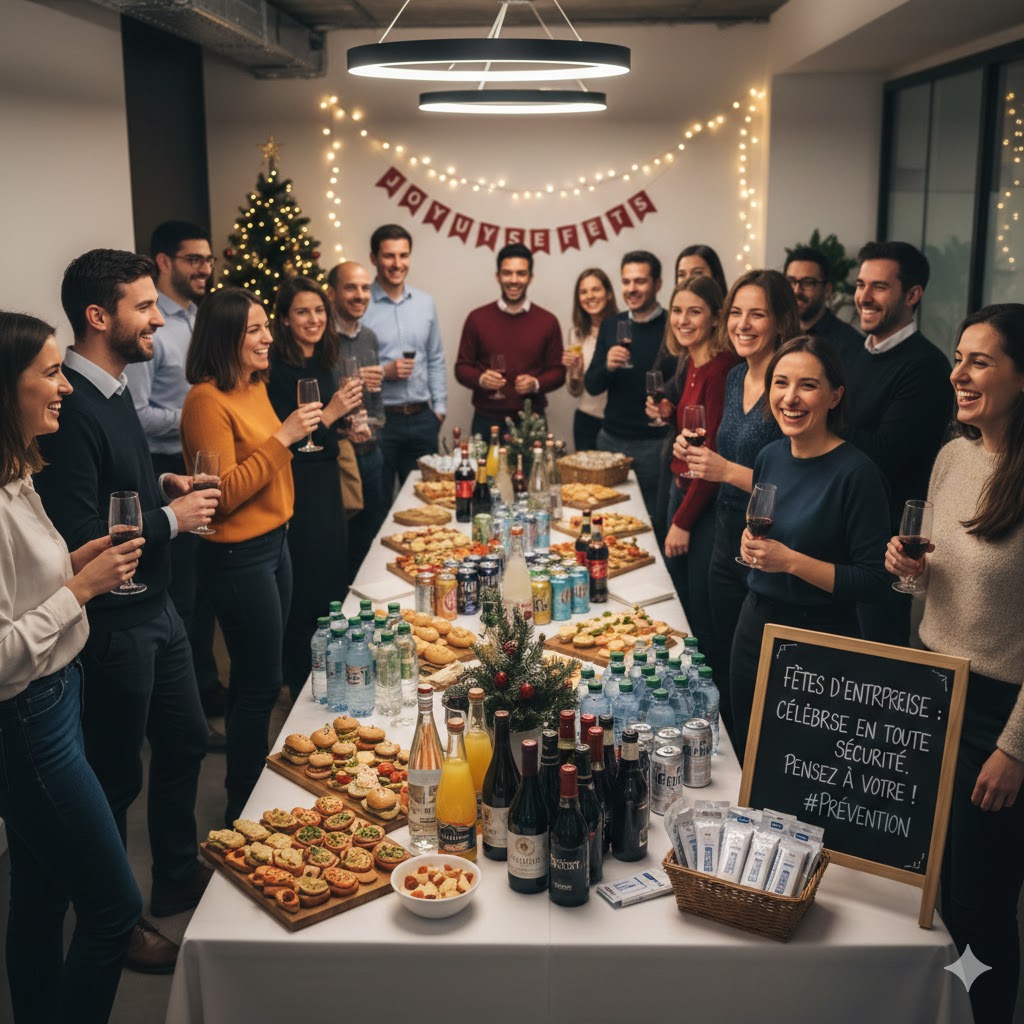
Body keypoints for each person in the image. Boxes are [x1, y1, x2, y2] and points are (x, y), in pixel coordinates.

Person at [35, 249, 216, 973]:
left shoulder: (112, 387)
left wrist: (158, 480)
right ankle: (119, 918)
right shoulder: (68, 408)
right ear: (98, 317)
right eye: (145, 308)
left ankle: (176, 873)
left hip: (159, 609)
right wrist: (171, 516)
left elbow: (121, 488)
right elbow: (82, 530)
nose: (158, 322)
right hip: (114, 625)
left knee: (185, 743)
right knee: (114, 776)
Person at [0, 311, 146, 1023]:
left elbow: (31, 586)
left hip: (56, 698)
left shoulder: (19, 476)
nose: (64, 388)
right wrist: (80, 591)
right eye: (51, 374)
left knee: (39, 897)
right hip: (27, 719)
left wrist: (76, 564)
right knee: (114, 908)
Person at [885, 304, 1024, 1024]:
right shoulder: (952, 456)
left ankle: (989, 1013)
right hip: (930, 688)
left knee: (980, 899)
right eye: (959, 357)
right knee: (926, 881)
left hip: (1000, 714)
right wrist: (905, 568)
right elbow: (925, 583)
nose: (957, 373)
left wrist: (1014, 748)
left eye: (980, 360)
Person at [180, 288, 322, 824]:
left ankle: (249, 789)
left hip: (273, 544)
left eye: (267, 327)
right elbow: (221, 495)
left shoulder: (254, 385)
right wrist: (284, 437)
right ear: (226, 339)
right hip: (238, 556)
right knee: (260, 683)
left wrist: (282, 442)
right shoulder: (205, 400)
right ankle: (242, 805)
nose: (268, 338)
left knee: (259, 678)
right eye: (255, 330)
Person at [729, 336, 890, 761]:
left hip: (818, 640)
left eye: (808, 385)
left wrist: (791, 562)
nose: (790, 398)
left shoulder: (858, 473)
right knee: (748, 748)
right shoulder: (769, 456)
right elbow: (763, 533)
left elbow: (874, 580)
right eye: (781, 383)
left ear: (835, 395)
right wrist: (750, 545)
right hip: (754, 624)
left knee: (800, 766)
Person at [674, 269, 799, 745]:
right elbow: (723, 454)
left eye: (758, 314)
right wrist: (697, 458)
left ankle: (753, 760)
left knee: (755, 668)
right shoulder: (733, 376)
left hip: (771, 537)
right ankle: (721, 756)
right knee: (716, 648)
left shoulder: (788, 384)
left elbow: (792, 484)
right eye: (737, 314)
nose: (743, 325)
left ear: (780, 320)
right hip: (724, 526)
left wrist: (722, 469)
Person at [124, 220, 224, 743]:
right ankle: (183, 719)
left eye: (208, 259)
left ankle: (206, 691)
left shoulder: (198, 318)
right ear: (164, 262)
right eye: (193, 259)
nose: (204, 268)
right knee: (181, 600)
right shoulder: (150, 332)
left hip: (192, 475)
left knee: (201, 594)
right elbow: (138, 413)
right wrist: (198, 415)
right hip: (164, 473)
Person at [846, 241, 951, 645]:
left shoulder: (926, 366)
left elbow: (883, 455)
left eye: (879, 287)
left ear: (912, 295)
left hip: (886, 545)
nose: (863, 297)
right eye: (860, 284)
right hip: (845, 533)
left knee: (873, 662)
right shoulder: (857, 352)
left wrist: (822, 421)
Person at [268, 276, 364, 699]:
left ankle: (330, 671)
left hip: (328, 480)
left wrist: (345, 423)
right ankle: (299, 680)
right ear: (285, 320)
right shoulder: (276, 370)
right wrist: (331, 414)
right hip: (299, 484)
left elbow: (324, 432)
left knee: (331, 577)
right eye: (302, 312)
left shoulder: (326, 359)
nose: (313, 319)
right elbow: (287, 440)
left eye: (319, 311)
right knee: (304, 585)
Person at [653, 276, 738, 644]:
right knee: (678, 598)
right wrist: (671, 410)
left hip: (700, 501)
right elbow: (692, 429)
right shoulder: (692, 360)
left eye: (694, 312)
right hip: (681, 488)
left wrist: (682, 522)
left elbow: (711, 456)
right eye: (676, 311)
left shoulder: (721, 369)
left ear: (716, 318)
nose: (682, 320)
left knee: (694, 607)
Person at [584, 250, 677, 522]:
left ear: (658, 284)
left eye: (640, 281)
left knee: (652, 521)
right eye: (626, 282)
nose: (631, 289)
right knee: (608, 519)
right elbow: (592, 385)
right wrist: (608, 366)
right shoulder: (613, 324)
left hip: (655, 444)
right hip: (611, 441)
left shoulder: (674, 325)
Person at [361, 224, 447, 495]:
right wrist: (385, 371)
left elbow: (435, 357)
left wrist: (439, 409)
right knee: (379, 504)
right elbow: (346, 365)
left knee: (427, 501)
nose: (397, 264)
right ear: (374, 258)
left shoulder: (425, 302)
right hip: (381, 420)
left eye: (403, 255)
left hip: (423, 418)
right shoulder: (361, 305)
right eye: (389, 256)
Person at [455, 243, 565, 437]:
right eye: (507, 273)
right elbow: (461, 368)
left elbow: (558, 372)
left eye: (521, 274)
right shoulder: (477, 318)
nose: (514, 280)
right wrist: (480, 379)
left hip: (532, 421)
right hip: (486, 421)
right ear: (497, 276)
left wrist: (536, 384)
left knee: (536, 469)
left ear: (530, 278)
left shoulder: (548, 321)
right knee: (486, 469)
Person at [327, 260, 388, 578]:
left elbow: (376, 400)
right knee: (341, 548)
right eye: (351, 287)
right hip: (339, 458)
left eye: (365, 288)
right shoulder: (321, 339)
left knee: (373, 541)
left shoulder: (370, 337)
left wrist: (374, 425)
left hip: (371, 453)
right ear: (332, 292)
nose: (360, 295)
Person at [562, 267, 618, 452]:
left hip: (618, 423)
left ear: (608, 294)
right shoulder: (576, 334)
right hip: (586, 420)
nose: (590, 296)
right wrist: (575, 374)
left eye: (596, 289)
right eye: (583, 291)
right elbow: (575, 391)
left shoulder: (623, 329)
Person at [783, 245, 862, 357]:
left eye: (808, 282)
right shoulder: (776, 334)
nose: (796, 291)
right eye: (791, 281)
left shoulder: (849, 344)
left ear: (827, 290)